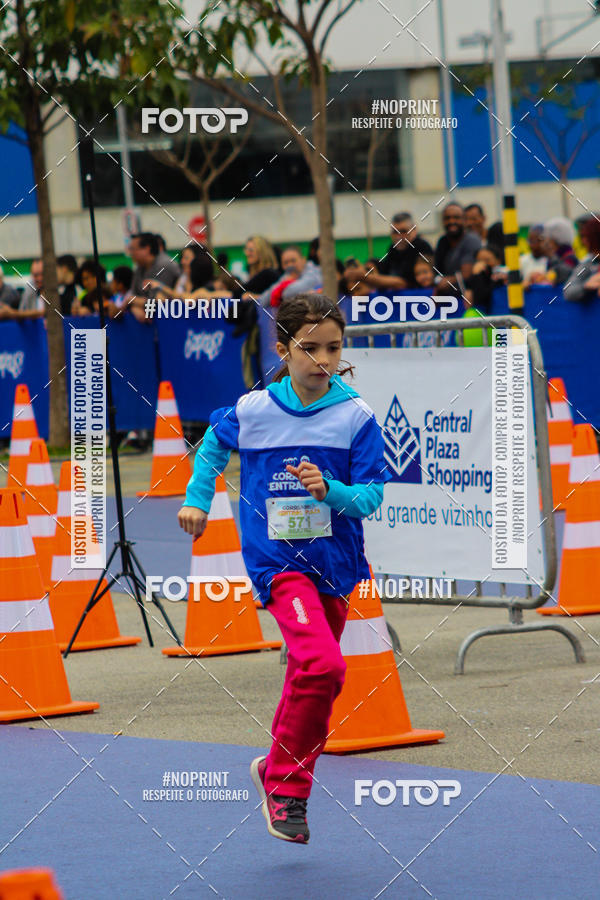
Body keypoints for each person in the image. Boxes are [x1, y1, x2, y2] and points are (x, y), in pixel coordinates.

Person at [178, 292, 391, 843]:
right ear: (283, 349)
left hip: (336, 567)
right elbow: (210, 449)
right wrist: (198, 500)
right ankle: (289, 792)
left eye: (333, 348)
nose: (322, 359)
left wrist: (331, 490)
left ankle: (273, 771)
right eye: (309, 348)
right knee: (324, 667)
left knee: (309, 673)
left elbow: (370, 497)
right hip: (279, 565)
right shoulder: (255, 409)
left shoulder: (356, 416)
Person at [344, 212, 434, 292]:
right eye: (395, 232)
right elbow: (384, 272)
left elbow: (403, 283)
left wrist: (364, 277)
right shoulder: (393, 248)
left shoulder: (421, 247)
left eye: (403, 231)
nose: (398, 236)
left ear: (414, 230)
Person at [127, 232, 181, 322]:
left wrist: (134, 302)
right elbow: (133, 296)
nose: (130, 253)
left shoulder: (165, 266)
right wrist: (134, 308)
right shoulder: (139, 268)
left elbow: (158, 304)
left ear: (147, 249)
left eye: (133, 249)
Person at [433, 203, 482, 295]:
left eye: (456, 217)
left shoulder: (471, 240)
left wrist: (447, 281)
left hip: (468, 300)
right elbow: (436, 271)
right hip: (448, 300)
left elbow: (466, 275)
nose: (451, 221)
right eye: (447, 218)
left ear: (464, 220)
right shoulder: (442, 241)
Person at [563, 217, 600, 302]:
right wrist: (586, 286)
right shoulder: (588, 263)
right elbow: (568, 290)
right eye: (582, 237)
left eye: (586, 237)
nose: (583, 241)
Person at [464, 244, 505, 314]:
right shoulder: (482, 275)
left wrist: (477, 275)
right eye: (479, 261)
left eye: (487, 260)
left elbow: (481, 298)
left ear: (498, 260)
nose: (482, 264)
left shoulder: (501, 274)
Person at [541, 217, 578, 286]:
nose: (546, 242)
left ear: (555, 239)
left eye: (548, 238)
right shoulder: (555, 257)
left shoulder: (570, 258)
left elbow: (564, 274)